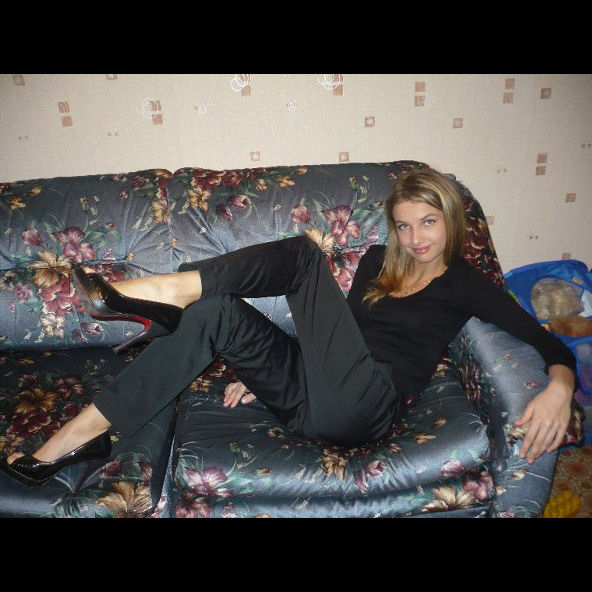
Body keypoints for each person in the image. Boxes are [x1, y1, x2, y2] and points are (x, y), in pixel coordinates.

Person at [1, 167, 577, 487]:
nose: (416, 238)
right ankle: (78, 436)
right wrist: (270, 370)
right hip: (312, 402)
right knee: (215, 312)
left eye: (428, 222)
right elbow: (339, 332)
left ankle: (164, 289)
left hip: (368, 408)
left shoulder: (467, 283)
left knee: (303, 257)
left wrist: (559, 387)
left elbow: (549, 343)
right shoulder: (378, 262)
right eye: (404, 226)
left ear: (449, 220)